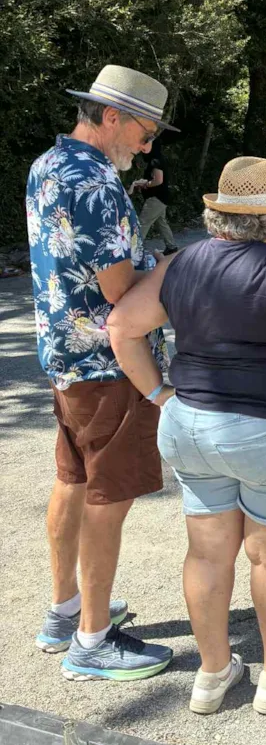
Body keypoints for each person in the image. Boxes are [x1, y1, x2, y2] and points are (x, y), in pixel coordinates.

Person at [108, 156, 266, 716]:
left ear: (219, 214)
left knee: (207, 552)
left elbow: (122, 326)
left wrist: (155, 393)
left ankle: (213, 673)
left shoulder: (180, 264)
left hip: (190, 424)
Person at [26, 64, 176, 681]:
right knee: (106, 496)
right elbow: (120, 288)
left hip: (65, 354)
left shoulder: (47, 165)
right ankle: (92, 641)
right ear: (111, 116)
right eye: (144, 133)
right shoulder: (95, 181)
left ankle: (64, 612)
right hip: (108, 361)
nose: (147, 147)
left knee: (73, 478)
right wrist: (172, 269)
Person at [131, 142, 178, 255]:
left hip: (156, 198)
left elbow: (158, 180)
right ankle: (171, 246)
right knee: (161, 222)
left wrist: (145, 184)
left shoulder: (155, 161)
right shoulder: (158, 159)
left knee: (143, 222)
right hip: (162, 198)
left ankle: (133, 251)